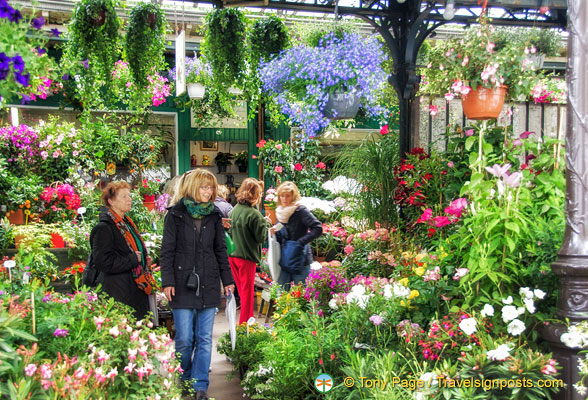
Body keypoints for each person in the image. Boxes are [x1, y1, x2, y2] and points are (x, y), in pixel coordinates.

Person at [160, 169, 235, 400]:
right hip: (182, 285)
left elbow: (220, 250)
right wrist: (168, 281)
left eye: (211, 187)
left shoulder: (213, 214)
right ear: (192, 188)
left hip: (209, 283)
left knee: (204, 339)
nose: (209, 191)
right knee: (184, 339)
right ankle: (184, 378)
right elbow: (167, 251)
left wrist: (228, 280)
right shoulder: (175, 215)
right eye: (204, 187)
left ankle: (200, 384)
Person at [91, 181, 156, 320]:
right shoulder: (104, 228)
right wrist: (132, 259)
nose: (129, 199)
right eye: (124, 196)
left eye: (129, 195)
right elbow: (103, 262)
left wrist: (144, 260)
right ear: (111, 201)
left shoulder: (127, 224)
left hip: (134, 289)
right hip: (118, 292)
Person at [228, 178, 271, 324]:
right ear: (255, 194)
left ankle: (243, 324)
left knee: (241, 291)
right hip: (246, 257)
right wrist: (267, 224)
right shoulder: (254, 214)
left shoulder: (234, 210)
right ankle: (245, 325)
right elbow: (261, 237)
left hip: (233, 256)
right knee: (247, 295)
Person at [270, 181, 322, 289]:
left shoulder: (300, 211)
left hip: (300, 259)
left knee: (302, 295)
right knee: (281, 293)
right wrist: (274, 233)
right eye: (282, 196)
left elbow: (318, 228)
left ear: (293, 197)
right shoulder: (280, 212)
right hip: (285, 258)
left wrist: (300, 242)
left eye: (287, 196)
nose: (284, 199)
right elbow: (280, 236)